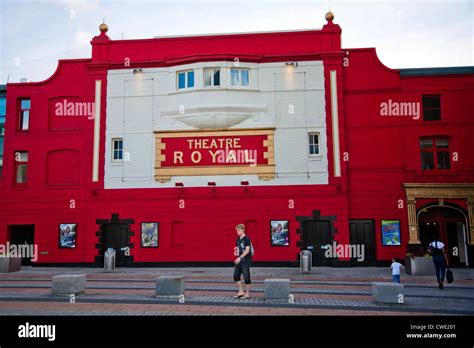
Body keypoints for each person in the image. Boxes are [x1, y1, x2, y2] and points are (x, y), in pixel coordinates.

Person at [233, 224, 252, 299]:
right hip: (239, 260)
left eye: (238, 230)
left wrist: (240, 258)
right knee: (236, 276)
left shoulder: (247, 238)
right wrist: (236, 256)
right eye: (236, 230)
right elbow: (238, 249)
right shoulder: (238, 239)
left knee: (246, 277)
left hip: (246, 260)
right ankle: (241, 291)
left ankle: (247, 294)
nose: (237, 232)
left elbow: (247, 250)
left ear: (242, 230)